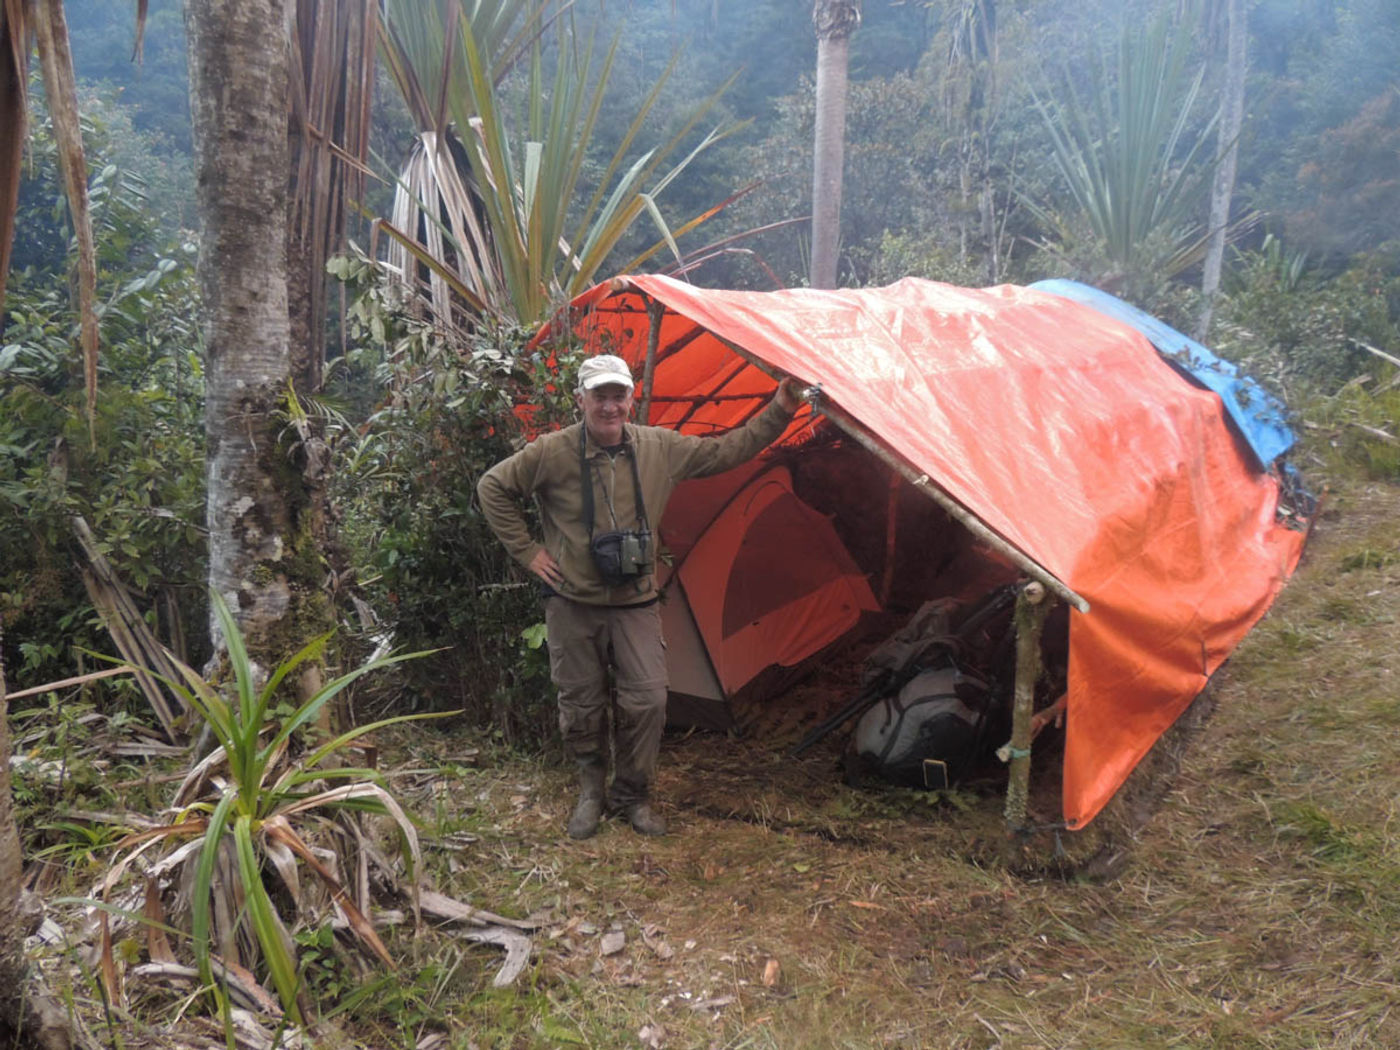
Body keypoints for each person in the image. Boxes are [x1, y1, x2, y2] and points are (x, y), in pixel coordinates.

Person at [478, 354, 801, 838]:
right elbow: (493, 487)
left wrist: (782, 406)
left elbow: (730, 450)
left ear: (632, 398)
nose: (609, 406)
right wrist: (528, 552)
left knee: (648, 701)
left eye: (618, 395)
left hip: (635, 603)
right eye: (599, 396)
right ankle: (591, 790)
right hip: (572, 603)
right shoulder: (552, 451)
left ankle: (633, 794)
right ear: (580, 400)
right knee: (580, 704)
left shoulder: (659, 448)